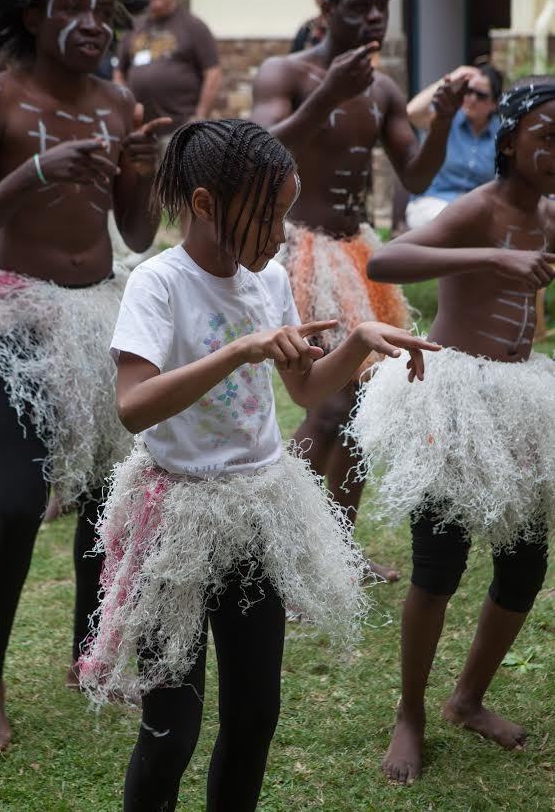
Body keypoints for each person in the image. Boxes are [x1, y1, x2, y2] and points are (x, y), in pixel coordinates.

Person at [78, 118, 438, 810]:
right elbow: (133, 405)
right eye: (268, 213)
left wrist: (357, 340)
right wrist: (239, 351)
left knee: (254, 713)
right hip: (173, 522)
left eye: (285, 211)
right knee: (169, 730)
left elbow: (303, 387)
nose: (281, 232)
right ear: (207, 204)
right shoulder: (160, 283)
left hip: (254, 513)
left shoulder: (266, 280)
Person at [0, 0, 171, 756]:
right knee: (20, 500)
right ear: (33, 16)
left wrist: (142, 172)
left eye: (105, 10)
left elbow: (134, 233)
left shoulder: (118, 100)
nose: (94, 22)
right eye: (75, 7)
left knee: (104, 496)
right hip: (14, 315)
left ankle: (88, 653)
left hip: (100, 311)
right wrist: (38, 169)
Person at [348, 78, 555, 786]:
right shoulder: (478, 208)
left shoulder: (548, 214)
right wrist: (490, 258)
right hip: (453, 396)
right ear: (509, 141)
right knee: (438, 564)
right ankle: (409, 711)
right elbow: (386, 261)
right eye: (545, 134)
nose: (554, 149)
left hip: (519, 400)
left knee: (525, 560)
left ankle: (466, 698)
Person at [251, 0, 467, 581]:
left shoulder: (384, 87)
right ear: (325, 6)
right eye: (359, 4)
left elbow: (417, 173)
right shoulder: (283, 71)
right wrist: (326, 93)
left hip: (359, 256)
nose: (374, 13)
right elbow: (262, 150)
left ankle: (337, 553)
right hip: (303, 253)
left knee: (361, 411)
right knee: (326, 409)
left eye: (383, 2)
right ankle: (282, 556)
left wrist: (447, 120)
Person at [116, 0, 222, 146]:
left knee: (178, 176)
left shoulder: (193, 26)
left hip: (180, 131)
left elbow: (212, 73)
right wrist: (125, 106)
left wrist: (199, 116)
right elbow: (119, 72)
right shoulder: (134, 27)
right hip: (140, 130)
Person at [404, 64, 503, 229]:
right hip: (432, 203)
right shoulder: (445, 117)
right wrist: (453, 77)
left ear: (494, 103)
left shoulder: (501, 135)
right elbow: (412, 112)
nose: (471, 98)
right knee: (451, 224)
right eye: (468, 91)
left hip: (475, 211)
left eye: (480, 95)